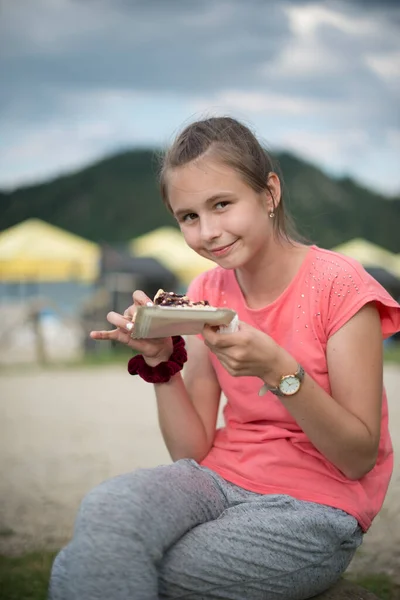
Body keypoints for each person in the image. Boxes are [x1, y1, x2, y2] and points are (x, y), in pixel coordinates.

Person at [48, 117, 400, 600]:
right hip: (217, 480)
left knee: (84, 566)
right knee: (108, 506)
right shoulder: (206, 291)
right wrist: (161, 365)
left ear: (269, 193)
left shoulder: (340, 287)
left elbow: (358, 458)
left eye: (221, 205)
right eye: (188, 216)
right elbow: (191, 451)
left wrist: (278, 371)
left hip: (315, 506)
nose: (208, 232)